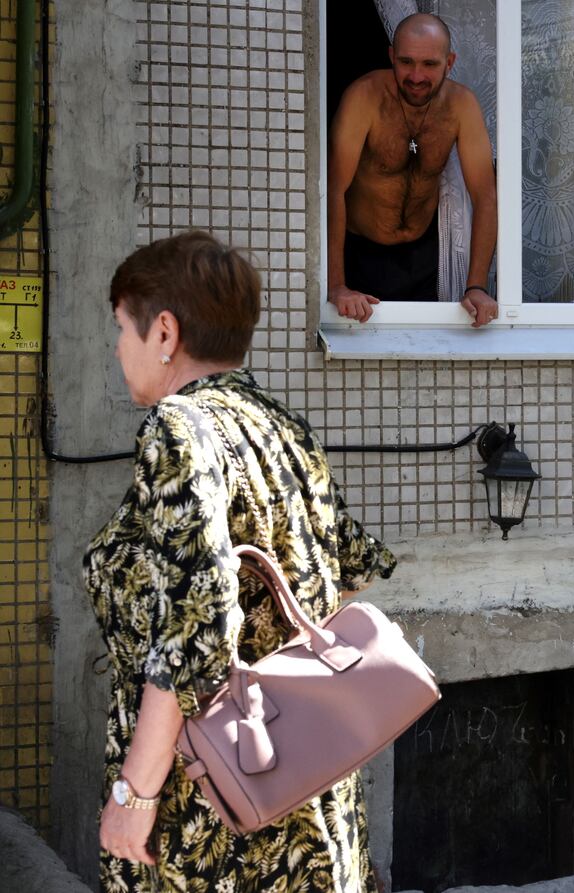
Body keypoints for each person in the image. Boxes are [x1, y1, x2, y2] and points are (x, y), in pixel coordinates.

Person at [84, 231, 396, 892]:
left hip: (217, 809)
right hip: (305, 788)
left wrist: (135, 795)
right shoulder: (282, 426)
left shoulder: (179, 427)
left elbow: (195, 632)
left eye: (122, 328)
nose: (116, 348)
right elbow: (349, 566)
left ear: (164, 330)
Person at [328, 12, 498, 326]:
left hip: (424, 258)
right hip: (361, 255)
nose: (416, 76)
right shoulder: (364, 97)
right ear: (391, 56)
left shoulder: (461, 105)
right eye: (406, 62)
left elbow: (486, 196)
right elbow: (332, 189)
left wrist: (476, 285)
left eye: (430, 65)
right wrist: (336, 285)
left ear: (449, 62)